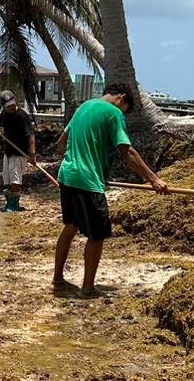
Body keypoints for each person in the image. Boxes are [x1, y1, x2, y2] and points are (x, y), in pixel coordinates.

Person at [54, 84, 167, 297]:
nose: (122, 112)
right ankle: (87, 289)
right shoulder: (113, 113)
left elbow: (62, 141)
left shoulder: (83, 107)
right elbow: (127, 151)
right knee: (97, 235)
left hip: (67, 175)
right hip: (88, 181)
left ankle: (58, 279)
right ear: (121, 98)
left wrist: (73, 161)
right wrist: (154, 179)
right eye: (125, 108)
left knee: (70, 227)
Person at [0, 90, 35, 212]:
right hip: (8, 151)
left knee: (15, 179)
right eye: (8, 106)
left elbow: (31, 136)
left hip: (20, 153)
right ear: (3, 106)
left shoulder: (22, 115)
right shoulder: (5, 113)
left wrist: (32, 155)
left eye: (13, 104)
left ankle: (14, 205)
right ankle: (9, 202)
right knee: (6, 179)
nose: (11, 107)